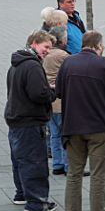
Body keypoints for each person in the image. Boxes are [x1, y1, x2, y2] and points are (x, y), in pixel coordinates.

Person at [56, 30, 105, 211]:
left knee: (74, 172)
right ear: (98, 46)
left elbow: (59, 92)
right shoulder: (104, 63)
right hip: (99, 127)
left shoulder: (68, 62)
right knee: (98, 174)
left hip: (72, 126)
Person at [5, 30, 57, 211]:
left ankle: (22, 194)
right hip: (29, 120)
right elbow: (39, 94)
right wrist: (53, 92)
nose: (47, 51)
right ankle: (37, 203)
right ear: (34, 43)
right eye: (46, 47)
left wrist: (44, 87)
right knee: (34, 162)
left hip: (16, 119)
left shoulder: (17, 63)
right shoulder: (33, 66)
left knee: (20, 160)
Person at [43, 26, 70, 176]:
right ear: (63, 39)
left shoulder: (45, 54)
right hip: (60, 100)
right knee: (65, 134)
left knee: (54, 134)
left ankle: (57, 164)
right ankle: (67, 165)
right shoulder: (63, 56)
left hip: (48, 101)